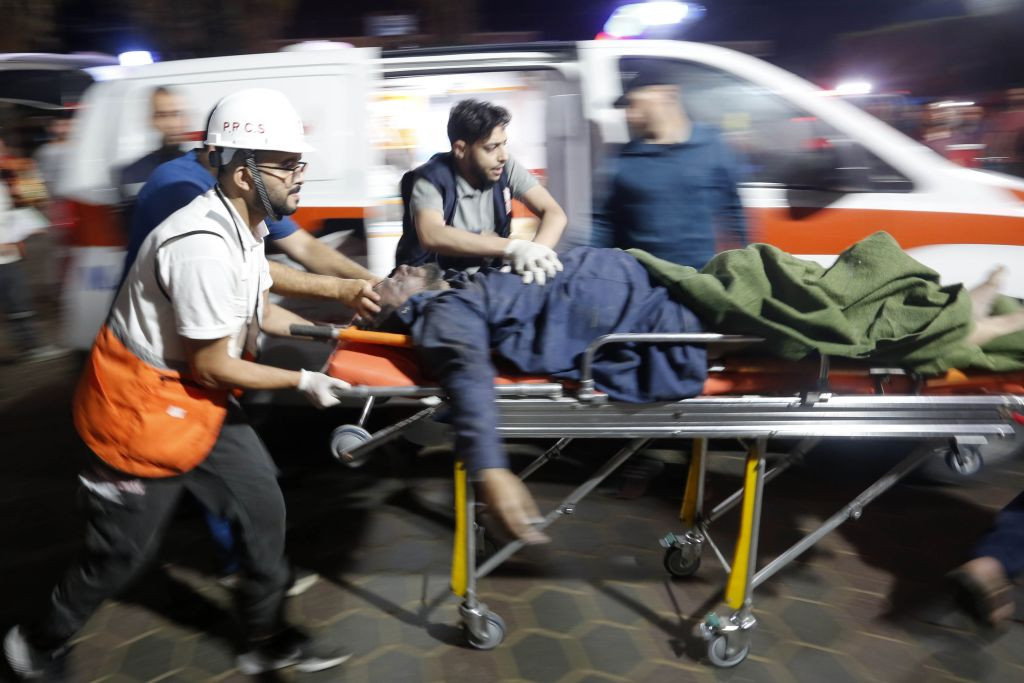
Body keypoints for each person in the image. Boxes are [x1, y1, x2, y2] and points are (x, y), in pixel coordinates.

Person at [4, 88, 355, 680]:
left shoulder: (245, 225)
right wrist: (303, 380)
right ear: (243, 173)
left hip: (195, 399)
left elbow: (257, 308)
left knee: (262, 504)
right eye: (287, 164)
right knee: (121, 555)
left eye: (300, 162)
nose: (300, 175)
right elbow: (213, 364)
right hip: (139, 411)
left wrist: (328, 331)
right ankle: (38, 643)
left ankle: (265, 636)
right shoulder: (199, 246)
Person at [361, 239, 1024, 544]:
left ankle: (961, 312)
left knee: (808, 285)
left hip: (663, 289)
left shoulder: (463, 285)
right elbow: (467, 376)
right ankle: (969, 322)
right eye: (391, 280)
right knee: (821, 313)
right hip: (666, 321)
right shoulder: (440, 318)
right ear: (397, 310)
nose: (400, 271)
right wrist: (493, 469)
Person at [122, 128, 380, 317]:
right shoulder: (179, 187)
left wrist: (375, 284)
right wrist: (339, 289)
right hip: (154, 343)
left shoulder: (248, 194)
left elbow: (304, 247)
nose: (298, 178)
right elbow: (242, 267)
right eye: (285, 166)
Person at [591, 60, 748, 270]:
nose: (628, 114)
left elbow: (733, 212)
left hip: (698, 278)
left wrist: (744, 267)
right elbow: (602, 224)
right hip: (642, 281)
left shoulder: (712, 145)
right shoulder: (620, 160)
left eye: (634, 103)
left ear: (667, 94)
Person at [395, 98, 567, 284]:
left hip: (486, 280)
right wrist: (513, 247)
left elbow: (554, 213)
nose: (503, 156)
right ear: (460, 149)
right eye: (491, 147)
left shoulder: (505, 167)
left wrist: (535, 254)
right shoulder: (431, 178)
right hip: (436, 285)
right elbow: (432, 234)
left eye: (504, 144)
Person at [117, 86, 190, 223]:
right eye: (162, 115)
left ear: (186, 118)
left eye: (176, 114)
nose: (171, 124)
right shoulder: (132, 174)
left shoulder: (205, 168)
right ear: (152, 120)